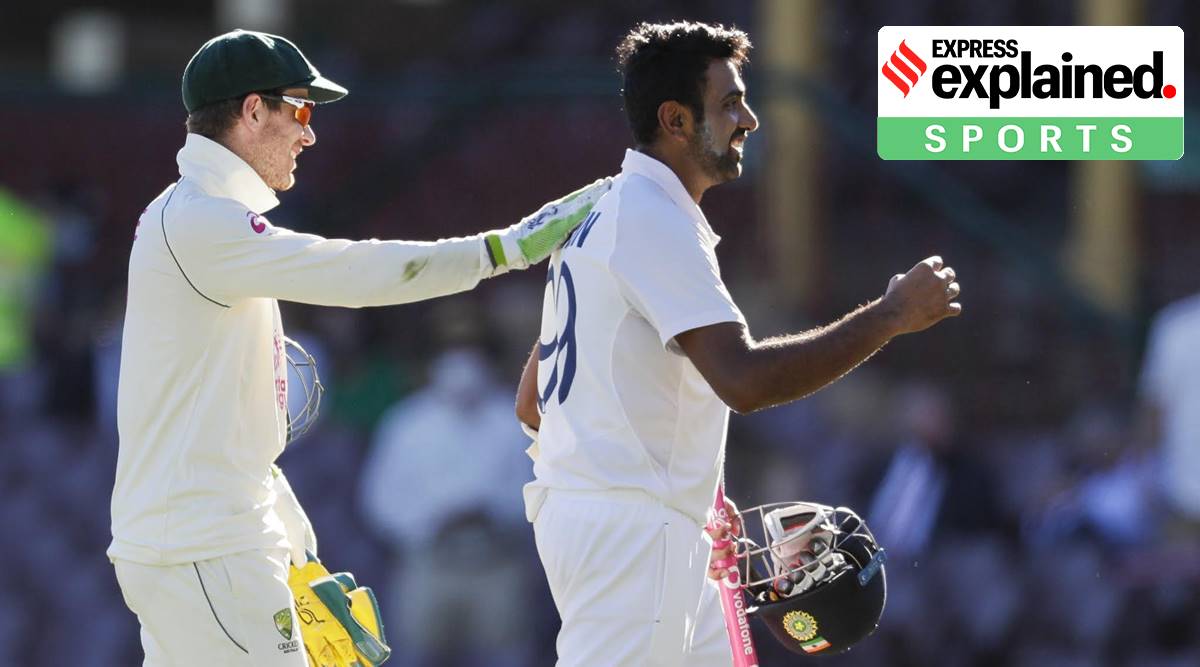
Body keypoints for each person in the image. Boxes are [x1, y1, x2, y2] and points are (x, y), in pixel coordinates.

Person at [108, 29, 607, 666]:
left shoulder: (192, 215)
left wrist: (296, 550)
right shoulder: (200, 220)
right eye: (301, 110)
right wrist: (504, 250)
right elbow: (351, 273)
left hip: (200, 547)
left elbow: (228, 438)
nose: (308, 134)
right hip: (207, 551)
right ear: (253, 110)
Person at [515, 21, 961, 666]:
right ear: (674, 119)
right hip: (636, 537)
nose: (748, 118)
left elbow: (533, 404)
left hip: (631, 526)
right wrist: (890, 315)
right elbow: (744, 381)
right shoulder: (649, 218)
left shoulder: (607, 212)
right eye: (729, 102)